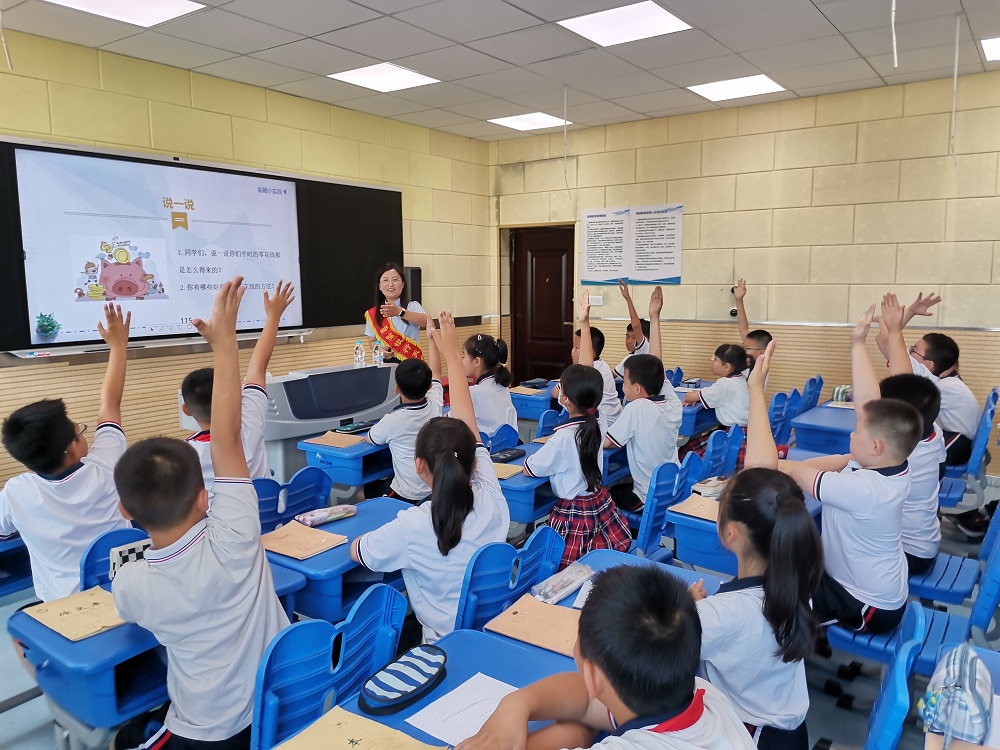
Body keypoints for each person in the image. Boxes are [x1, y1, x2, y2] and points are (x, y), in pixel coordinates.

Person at [112, 277, 288, 750]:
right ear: (203, 497)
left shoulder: (130, 583)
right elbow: (228, 439)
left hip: (207, 732)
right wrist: (225, 342)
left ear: (125, 510)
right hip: (281, 703)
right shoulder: (238, 535)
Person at [456, 566, 756, 750]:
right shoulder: (702, 695)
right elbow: (587, 704)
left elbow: (587, 708)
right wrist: (515, 705)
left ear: (594, 676)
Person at [688, 340, 822, 750]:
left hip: (750, 738)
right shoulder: (793, 577)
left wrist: (687, 610)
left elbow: (647, 657)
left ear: (730, 533)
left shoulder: (720, 615)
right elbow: (764, 483)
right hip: (790, 732)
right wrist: (755, 390)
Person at [351, 311, 509, 644]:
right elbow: (469, 424)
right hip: (494, 629)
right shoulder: (491, 494)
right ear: (474, 460)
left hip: (442, 646)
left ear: (419, 466)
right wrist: (451, 352)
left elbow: (359, 552)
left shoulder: (413, 524)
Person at [780, 305, 922, 634]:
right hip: (879, 587)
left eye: (856, 432)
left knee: (780, 597)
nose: (851, 434)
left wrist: (773, 464)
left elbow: (802, 474)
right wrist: (857, 343)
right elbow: (867, 405)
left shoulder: (867, 489)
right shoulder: (892, 464)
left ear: (875, 446)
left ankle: (794, 649)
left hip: (867, 606)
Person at [0, 304, 131, 602]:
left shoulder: (16, 492)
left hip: (64, 610)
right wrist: (118, 346)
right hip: (125, 594)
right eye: (79, 430)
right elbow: (110, 403)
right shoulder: (107, 465)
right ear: (72, 447)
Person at [526, 294, 631, 569]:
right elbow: (587, 373)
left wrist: (585, 322)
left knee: (563, 567)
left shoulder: (562, 437)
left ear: (566, 400)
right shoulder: (598, 422)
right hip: (598, 503)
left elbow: (531, 468)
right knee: (592, 563)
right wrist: (584, 322)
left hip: (573, 514)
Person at [180, 280, 295, 487]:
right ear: (237, 397)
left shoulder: (182, 454)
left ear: (186, 409)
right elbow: (258, 366)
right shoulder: (250, 418)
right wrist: (274, 316)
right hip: (268, 509)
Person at [874, 295, 946, 575]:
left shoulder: (900, 450)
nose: (906, 350)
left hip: (909, 552)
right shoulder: (932, 431)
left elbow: (891, 344)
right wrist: (898, 324)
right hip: (925, 543)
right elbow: (888, 341)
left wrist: (895, 327)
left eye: (913, 349)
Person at [600, 289, 681, 513]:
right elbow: (656, 364)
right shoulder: (672, 402)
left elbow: (607, 442)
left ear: (636, 388)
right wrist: (654, 317)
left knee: (606, 494)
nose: (622, 387)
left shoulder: (637, 407)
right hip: (673, 489)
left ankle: (628, 531)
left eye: (625, 383)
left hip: (648, 497)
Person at [364, 318, 444, 504]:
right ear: (429, 386)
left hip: (406, 496)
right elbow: (437, 373)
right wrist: (431, 339)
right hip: (435, 492)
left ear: (396, 389)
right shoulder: (435, 404)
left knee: (364, 490)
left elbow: (370, 438)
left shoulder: (392, 420)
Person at [365, 262, 428, 362]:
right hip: (386, 362)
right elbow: (371, 341)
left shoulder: (412, 306)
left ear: (402, 284)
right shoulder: (373, 313)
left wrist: (400, 312)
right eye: (385, 280)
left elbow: (426, 322)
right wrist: (379, 350)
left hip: (411, 362)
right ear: (380, 286)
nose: (390, 284)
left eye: (395, 279)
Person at [463, 333, 517, 438]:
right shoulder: (502, 387)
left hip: (486, 446)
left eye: (463, 356)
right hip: (508, 445)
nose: (462, 361)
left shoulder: (474, 392)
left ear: (477, 361)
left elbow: (453, 417)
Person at [612, 280, 651, 378]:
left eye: (634, 338)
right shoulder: (629, 359)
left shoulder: (646, 350)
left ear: (647, 340)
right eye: (627, 337)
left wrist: (627, 298)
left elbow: (636, 326)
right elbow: (611, 376)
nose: (628, 341)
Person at [733, 279, 772, 369]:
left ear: (762, 353)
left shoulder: (760, 370)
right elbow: (743, 328)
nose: (743, 351)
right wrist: (739, 300)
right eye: (744, 347)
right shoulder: (746, 362)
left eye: (747, 349)